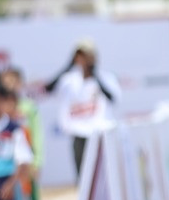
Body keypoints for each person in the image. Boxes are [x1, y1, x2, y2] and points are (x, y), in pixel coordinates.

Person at [45, 39, 120, 177]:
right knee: (83, 177)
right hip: (78, 135)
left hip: (99, 134)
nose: (84, 60)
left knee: (104, 175)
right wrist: (69, 65)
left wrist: (95, 74)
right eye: (80, 56)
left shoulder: (105, 78)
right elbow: (48, 88)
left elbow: (112, 98)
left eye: (87, 56)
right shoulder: (69, 80)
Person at [2, 67, 49, 200]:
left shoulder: (28, 107)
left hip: (26, 164)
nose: (10, 84)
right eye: (6, 80)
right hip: (7, 165)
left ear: (20, 83)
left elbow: (37, 134)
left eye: (14, 80)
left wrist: (36, 161)